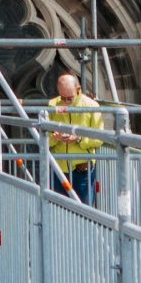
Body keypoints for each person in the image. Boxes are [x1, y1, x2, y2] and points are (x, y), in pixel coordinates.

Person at [47, 72, 105, 206]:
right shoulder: (52, 105)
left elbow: (99, 138)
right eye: (63, 98)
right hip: (59, 169)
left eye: (70, 98)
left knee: (84, 211)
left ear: (78, 89)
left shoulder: (92, 106)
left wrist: (79, 139)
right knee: (59, 211)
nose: (66, 102)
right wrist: (55, 138)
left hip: (83, 170)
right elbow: (45, 140)